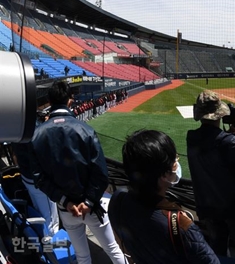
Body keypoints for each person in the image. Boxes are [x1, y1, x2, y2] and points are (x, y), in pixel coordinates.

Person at [29, 81, 127, 264]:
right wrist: (88, 202)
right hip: (91, 206)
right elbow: (101, 174)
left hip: (66, 208)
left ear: (50, 101)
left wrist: (66, 202)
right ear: (69, 101)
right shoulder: (86, 130)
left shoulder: (37, 135)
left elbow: (39, 178)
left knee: (82, 257)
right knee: (113, 251)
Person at [110, 129, 221, 264]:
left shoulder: (117, 198)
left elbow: (122, 243)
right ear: (163, 175)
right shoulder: (181, 224)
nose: (176, 164)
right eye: (175, 160)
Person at [186, 90, 235, 260]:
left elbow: (212, 143)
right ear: (220, 115)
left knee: (217, 250)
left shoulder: (192, 137)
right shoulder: (229, 143)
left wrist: (230, 136)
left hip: (207, 206)